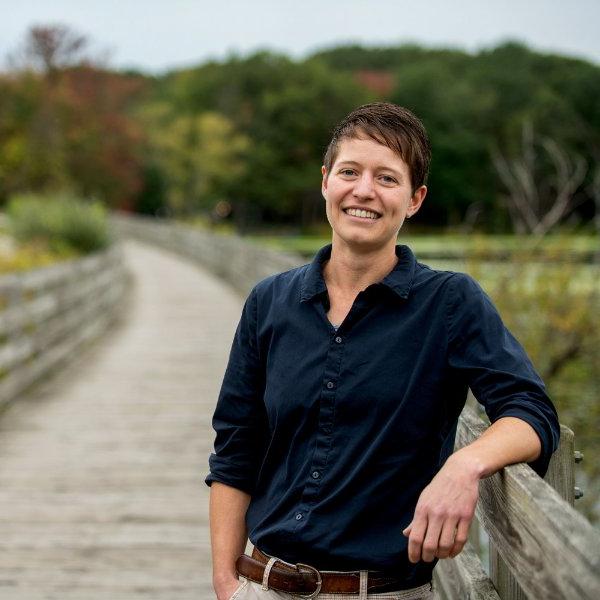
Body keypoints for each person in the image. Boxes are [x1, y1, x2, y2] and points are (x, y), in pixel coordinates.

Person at [205, 102, 560, 600]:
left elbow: (532, 413)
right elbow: (236, 447)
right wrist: (226, 583)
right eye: (350, 171)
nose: (364, 190)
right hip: (262, 584)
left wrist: (464, 465)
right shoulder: (270, 301)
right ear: (326, 180)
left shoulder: (450, 303)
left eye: (387, 178)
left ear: (414, 200)